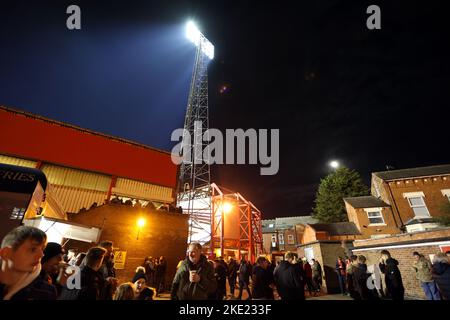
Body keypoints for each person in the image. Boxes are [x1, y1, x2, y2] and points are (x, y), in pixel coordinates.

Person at [0, 226, 57, 300]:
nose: (41, 254)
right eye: (33, 249)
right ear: (6, 253)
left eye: (42, 249)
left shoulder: (46, 292)